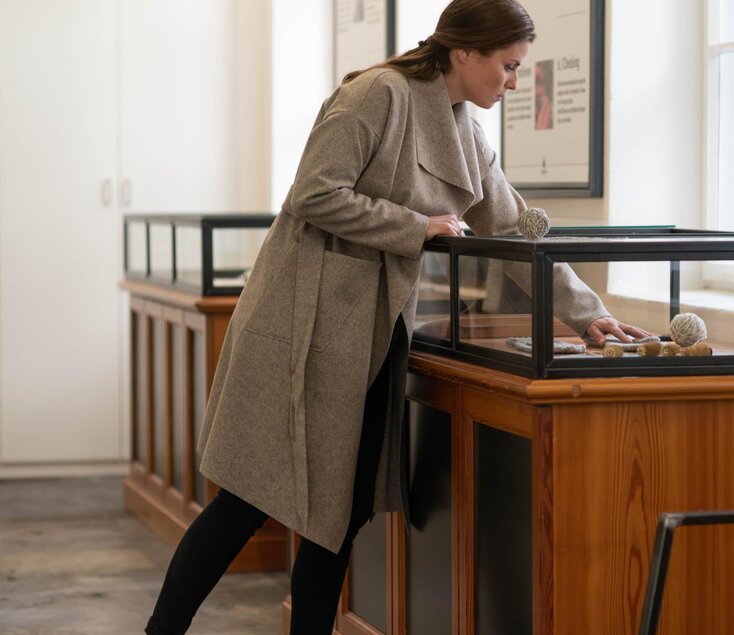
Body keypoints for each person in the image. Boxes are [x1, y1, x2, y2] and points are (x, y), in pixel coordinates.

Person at [144, 0, 646, 633]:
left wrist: (588, 315)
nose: (515, 83)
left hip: (372, 336)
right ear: (465, 52)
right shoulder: (378, 94)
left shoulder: (466, 126)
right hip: (300, 328)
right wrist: (416, 226)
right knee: (246, 502)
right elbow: (313, 192)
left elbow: (511, 225)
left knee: (340, 513)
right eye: (509, 67)